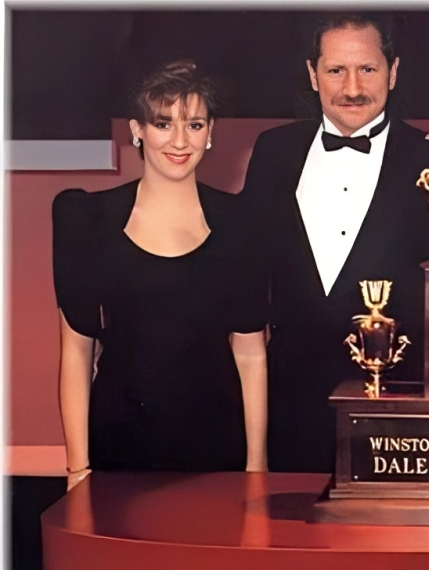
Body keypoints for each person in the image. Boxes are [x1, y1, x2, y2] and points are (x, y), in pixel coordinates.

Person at [240, 13, 429, 473]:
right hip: (289, 410)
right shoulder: (272, 152)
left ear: (393, 72)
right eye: (336, 70)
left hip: (401, 419)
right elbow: (250, 280)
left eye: (368, 69)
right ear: (312, 74)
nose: (353, 87)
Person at [53, 61, 268, 490]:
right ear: (137, 129)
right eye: (163, 123)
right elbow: (76, 353)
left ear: (211, 134)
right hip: (117, 448)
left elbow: (251, 356)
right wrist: (78, 469)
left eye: (194, 124)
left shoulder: (241, 222)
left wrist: (256, 468)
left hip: (216, 450)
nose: (179, 140)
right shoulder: (87, 219)